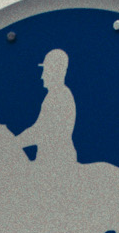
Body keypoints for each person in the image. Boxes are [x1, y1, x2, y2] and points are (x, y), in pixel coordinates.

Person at [17, 48, 78, 178]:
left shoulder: (60, 96)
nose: (42, 76)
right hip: (46, 161)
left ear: (56, 72)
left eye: (46, 70)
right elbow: (40, 128)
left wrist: (14, 143)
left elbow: (43, 131)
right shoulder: (53, 96)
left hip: (56, 164)